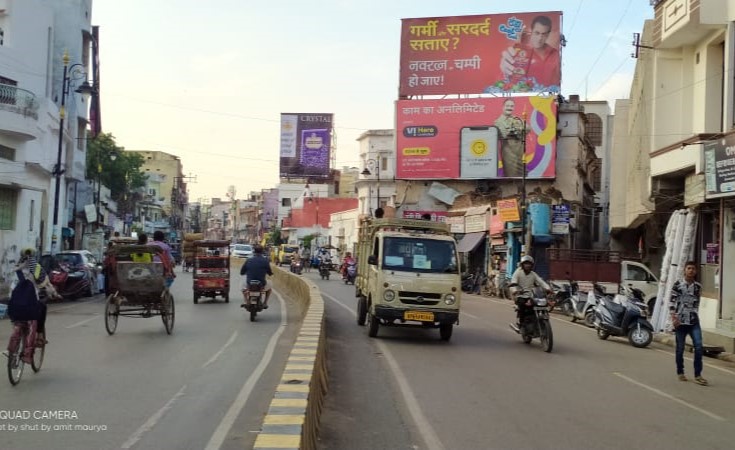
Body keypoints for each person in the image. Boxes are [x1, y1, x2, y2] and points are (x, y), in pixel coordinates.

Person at [670, 261, 707, 386]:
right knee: (680, 349)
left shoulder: (698, 287)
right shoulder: (677, 285)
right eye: (689, 268)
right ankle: (680, 372)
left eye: (693, 269)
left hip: (693, 321)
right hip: (680, 322)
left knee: (699, 346)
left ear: (696, 271)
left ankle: (698, 375)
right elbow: (672, 302)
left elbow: (697, 304)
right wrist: (674, 318)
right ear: (684, 270)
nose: (691, 271)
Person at [499, 15, 560, 89]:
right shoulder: (519, 52)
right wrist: (505, 73)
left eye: (544, 34)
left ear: (548, 34)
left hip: (549, 98)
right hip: (523, 97)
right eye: (537, 33)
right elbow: (505, 78)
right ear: (531, 31)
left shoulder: (555, 54)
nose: (540, 38)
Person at [510, 255, 551, 330]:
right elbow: (513, 281)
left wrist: (548, 288)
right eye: (526, 263)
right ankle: (520, 323)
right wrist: (515, 290)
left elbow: (541, 282)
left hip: (532, 295)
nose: (527, 265)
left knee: (541, 304)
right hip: (521, 295)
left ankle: (538, 322)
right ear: (522, 265)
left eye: (529, 264)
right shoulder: (518, 272)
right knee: (522, 305)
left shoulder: (533, 274)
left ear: (532, 265)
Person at [494, 98, 527, 178]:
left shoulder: (517, 119)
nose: (509, 107)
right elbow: (503, 134)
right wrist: (516, 130)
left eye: (512, 106)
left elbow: (528, 128)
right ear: (503, 107)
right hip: (508, 153)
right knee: (511, 176)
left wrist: (519, 129)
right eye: (507, 105)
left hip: (520, 153)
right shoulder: (498, 122)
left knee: (523, 176)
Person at [240, 244, 273, 309]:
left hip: (249, 283)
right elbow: (269, 272)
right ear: (262, 251)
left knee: (243, 287)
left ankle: (246, 301)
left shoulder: (248, 260)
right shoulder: (265, 261)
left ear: (254, 251)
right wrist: (270, 273)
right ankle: (265, 303)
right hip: (261, 283)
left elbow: (242, 271)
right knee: (269, 289)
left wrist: (244, 273)